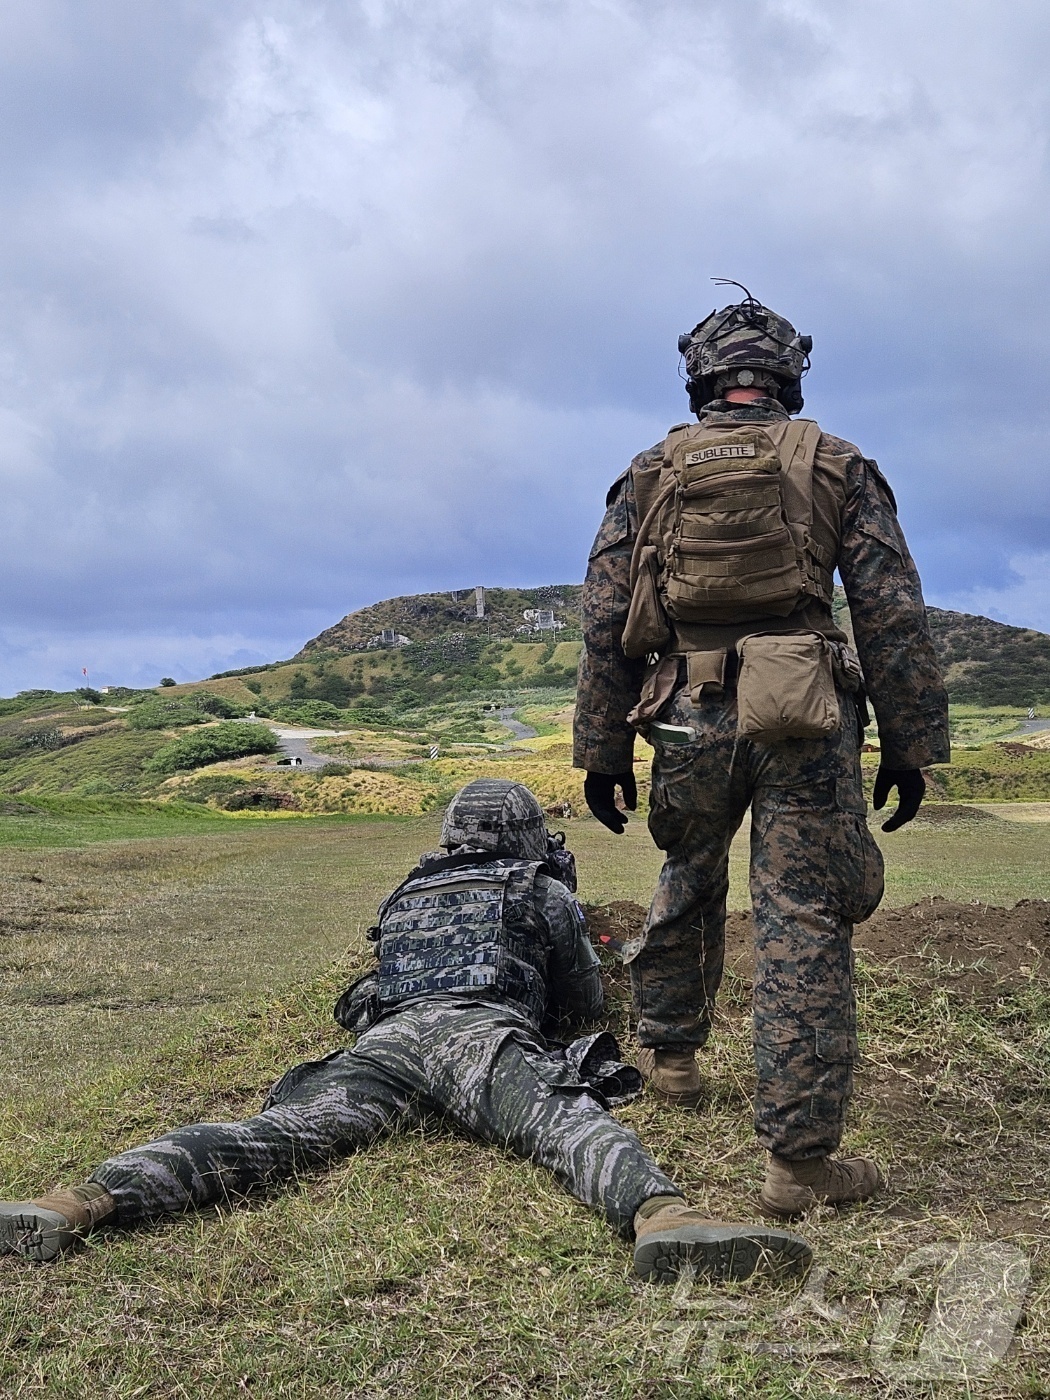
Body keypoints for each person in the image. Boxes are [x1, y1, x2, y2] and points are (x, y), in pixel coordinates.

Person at [0, 778, 810, 1284]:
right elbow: (582, 1006)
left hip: (383, 1047)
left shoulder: (405, 897)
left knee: (274, 1136)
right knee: (564, 1121)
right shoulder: (540, 889)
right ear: (528, 836)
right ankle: (661, 1219)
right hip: (479, 1037)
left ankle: (79, 1199)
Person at [574, 286, 949, 1217]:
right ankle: (798, 1162)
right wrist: (910, 742)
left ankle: (670, 1054)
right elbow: (890, 610)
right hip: (806, 714)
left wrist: (602, 751)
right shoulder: (837, 464)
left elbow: (603, 621)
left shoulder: (649, 471)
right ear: (787, 372)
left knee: (686, 871)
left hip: (683, 710)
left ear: (699, 375)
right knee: (801, 920)